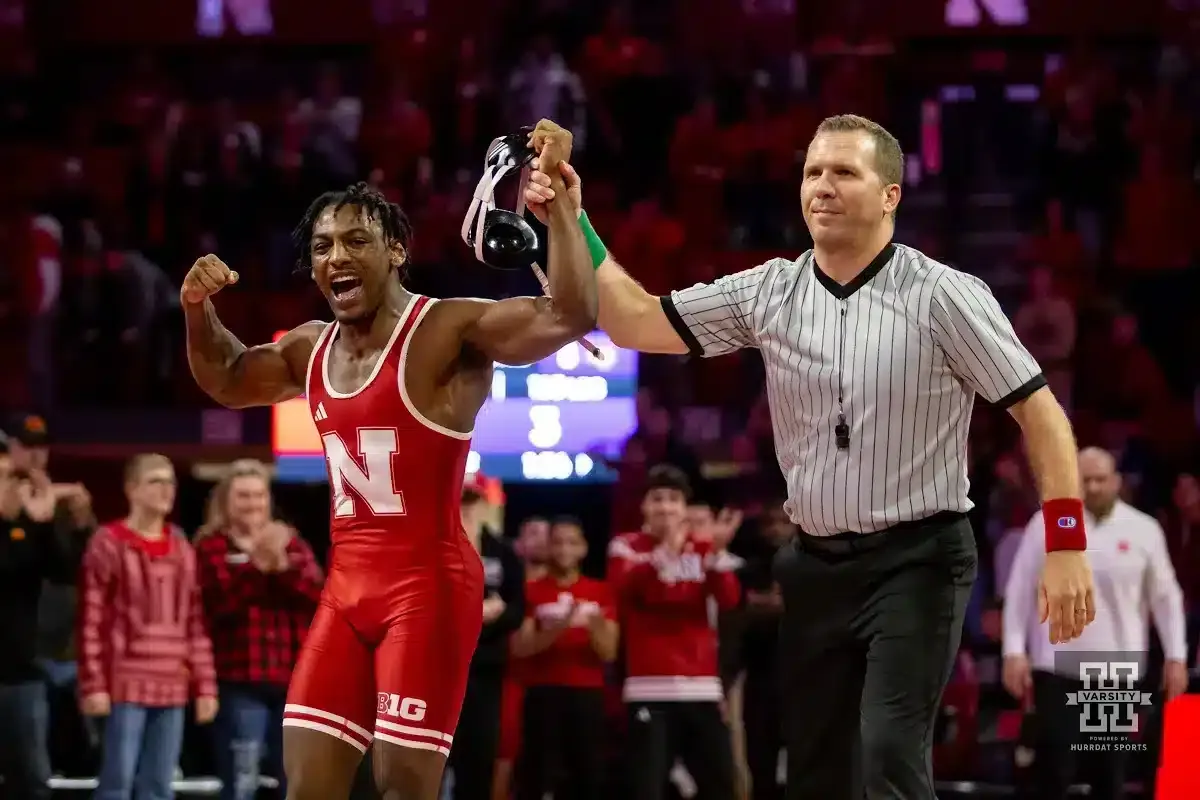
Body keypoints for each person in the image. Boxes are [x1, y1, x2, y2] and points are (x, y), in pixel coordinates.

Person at [524, 115, 1095, 800]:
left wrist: (1065, 544)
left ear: (890, 196)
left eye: (844, 172)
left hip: (918, 558)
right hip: (816, 565)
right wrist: (573, 215)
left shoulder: (946, 295)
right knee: (818, 770)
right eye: (814, 172)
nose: (823, 186)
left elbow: (1042, 414)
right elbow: (633, 320)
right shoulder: (770, 290)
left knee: (888, 749)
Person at [181, 119, 595, 800]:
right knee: (306, 786)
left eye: (354, 241)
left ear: (396, 249)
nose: (335, 256)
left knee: (403, 788)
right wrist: (197, 309)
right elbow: (227, 377)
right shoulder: (309, 347)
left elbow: (568, 316)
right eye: (321, 246)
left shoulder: (448, 328)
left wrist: (565, 208)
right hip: (345, 591)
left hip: (428, 589)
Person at [1002, 447, 1187, 800]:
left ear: (1116, 481)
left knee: (1108, 777)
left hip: (1114, 674)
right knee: (1052, 776)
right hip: (1056, 671)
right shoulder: (1046, 525)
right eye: (1085, 480)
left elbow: (1166, 599)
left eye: (1100, 479)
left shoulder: (1143, 530)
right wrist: (1013, 650)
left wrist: (1176, 656)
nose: (1093, 487)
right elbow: (1019, 589)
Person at [78, 453, 219, 800]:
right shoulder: (108, 542)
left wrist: (205, 686)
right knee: (117, 784)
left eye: (170, 481)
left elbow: (194, 623)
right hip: (123, 681)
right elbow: (90, 620)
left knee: (159, 786)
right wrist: (93, 684)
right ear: (132, 489)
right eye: (156, 481)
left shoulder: (182, 547)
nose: (166, 489)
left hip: (172, 682)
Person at [607, 464, 742, 800]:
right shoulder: (626, 546)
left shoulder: (702, 548)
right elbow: (630, 589)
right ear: (644, 506)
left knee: (722, 787)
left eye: (673, 499)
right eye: (657, 499)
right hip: (648, 690)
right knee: (647, 789)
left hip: (703, 691)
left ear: (684, 507)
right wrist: (667, 550)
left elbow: (729, 599)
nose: (665, 507)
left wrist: (718, 552)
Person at [195, 459, 325, 800]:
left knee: (293, 780)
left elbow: (318, 598)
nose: (252, 504)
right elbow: (218, 607)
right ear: (226, 502)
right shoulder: (211, 546)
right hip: (239, 680)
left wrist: (281, 567)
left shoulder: (292, 544)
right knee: (241, 779)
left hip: (292, 682)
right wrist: (256, 567)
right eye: (243, 497)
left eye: (258, 496)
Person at [509, 516, 618, 800]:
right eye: (557, 542)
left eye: (572, 542)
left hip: (588, 696)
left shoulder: (601, 592)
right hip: (543, 694)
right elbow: (521, 647)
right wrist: (562, 624)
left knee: (588, 776)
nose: (564, 550)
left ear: (583, 548)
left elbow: (609, 651)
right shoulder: (531, 590)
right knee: (536, 776)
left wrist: (594, 625)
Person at [0, 434, 82, 800]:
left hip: (22, 676)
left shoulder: (29, 528)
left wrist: (45, 522)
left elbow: (64, 573)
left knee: (32, 783)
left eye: (9, 478)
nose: (8, 488)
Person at [449, 476, 525, 800]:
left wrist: (497, 612)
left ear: (483, 502)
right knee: (428, 761)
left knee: (478, 759)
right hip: (437, 671)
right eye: (460, 498)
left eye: (471, 499)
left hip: (485, 670)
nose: (466, 506)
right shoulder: (432, 547)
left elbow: (517, 609)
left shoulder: (503, 551)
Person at [492, 516, 551, 800]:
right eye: (534, 533)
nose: (543, 539)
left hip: (549, 687)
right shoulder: (508, 585)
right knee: (502, 757)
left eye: (547, 534)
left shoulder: (564, 589)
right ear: (518, 543)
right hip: (507, 681)